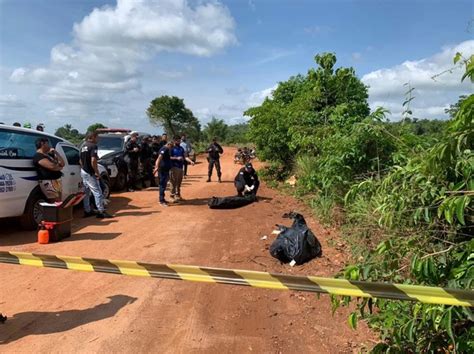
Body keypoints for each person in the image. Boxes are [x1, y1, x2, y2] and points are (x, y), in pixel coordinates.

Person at [80, 132, 112, 218]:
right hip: (90, 172)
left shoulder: (83, 146)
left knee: (86, 192)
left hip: (84, 171)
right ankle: (101, 211)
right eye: (97, 137)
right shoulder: (93, 146)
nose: (98, 139)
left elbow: (80, 160)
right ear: (93, 137)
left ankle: (87, 210)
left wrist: (84, 168)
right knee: (98, 192)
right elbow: (93, 160)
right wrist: (96, 172)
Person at [33, 138, 65, 202]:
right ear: (43, 144)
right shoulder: (38, 156)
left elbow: (62, 163)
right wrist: (59, 168)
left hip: (56, 180)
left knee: (59, 201)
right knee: (55, 202)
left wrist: (56, 153)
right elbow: (52, 166)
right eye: (48, 144)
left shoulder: (49, 155)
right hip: (49, 182)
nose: (50, 146)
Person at [170, 136, 194, 201]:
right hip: (174, 167)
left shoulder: (181, 148)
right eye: (177, 140)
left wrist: (190, 161)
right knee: (173, 182)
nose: (179, 141)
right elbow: (168, 157)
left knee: (179, 182)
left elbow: (185, 156)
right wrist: (176, 158)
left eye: (179, 140)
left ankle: (178, 195)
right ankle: (172, 196)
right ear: (174, 141)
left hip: (180, 167)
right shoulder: (171, 148)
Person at [153, 141, 173, 207]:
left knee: (164, 185)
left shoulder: (166, 149)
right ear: (168, 144)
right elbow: (159, 158)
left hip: (165, 170)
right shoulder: (164, 149)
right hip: (162, 170)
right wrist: (156, 167)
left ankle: (163, 199)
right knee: (162, 185)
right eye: (171, 146)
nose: (171, 148)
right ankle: (161, 201)